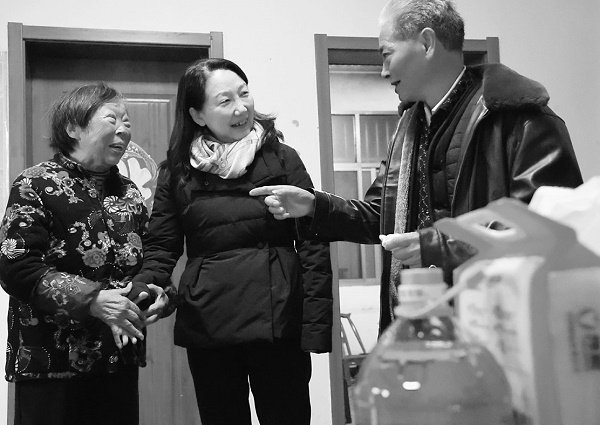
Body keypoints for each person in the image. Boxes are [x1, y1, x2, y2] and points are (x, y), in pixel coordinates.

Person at [250, 0, 583, 334]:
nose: (383, 71)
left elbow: (549, 229)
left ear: (426, 43)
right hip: (419, 327)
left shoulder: (519, 119)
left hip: (499, 329)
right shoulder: (408, 128)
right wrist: (314, 206)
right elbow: (381, 217)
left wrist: (437, 248)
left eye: (386, 54)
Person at [132, 58, 333, 425]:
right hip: (209, 322)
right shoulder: (177, 171)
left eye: (244, 94)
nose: (241, 108)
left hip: (278, 320)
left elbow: (312, 242)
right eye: (225, 101)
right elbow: (161, 244)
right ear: (197, 114)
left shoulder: (282, 159)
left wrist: (315, 325)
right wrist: (147, 286)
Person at [0, 83, 174, 425]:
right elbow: (17, 267)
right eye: (112, 119)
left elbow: (147, 260)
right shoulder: (34, 184)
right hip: (51, 365)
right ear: (73, 128)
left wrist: (158, 295)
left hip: (117, 362)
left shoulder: (129, 193)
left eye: (127, 121)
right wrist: (93, 300)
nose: (123, 129)